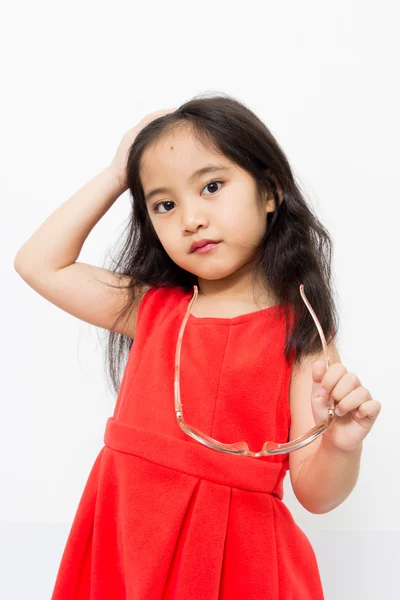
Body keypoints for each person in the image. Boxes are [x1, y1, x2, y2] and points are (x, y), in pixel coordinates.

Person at [14, 94, 382, 599]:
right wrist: (117, 173)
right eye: (164, 204)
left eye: (212, 186)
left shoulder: (303, 333)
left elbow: (316, 495)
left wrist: (341, 444)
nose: (190, 218)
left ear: (270, 192)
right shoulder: (152, 310)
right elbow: (39, 263)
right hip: (128, 548)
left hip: (237, 564)